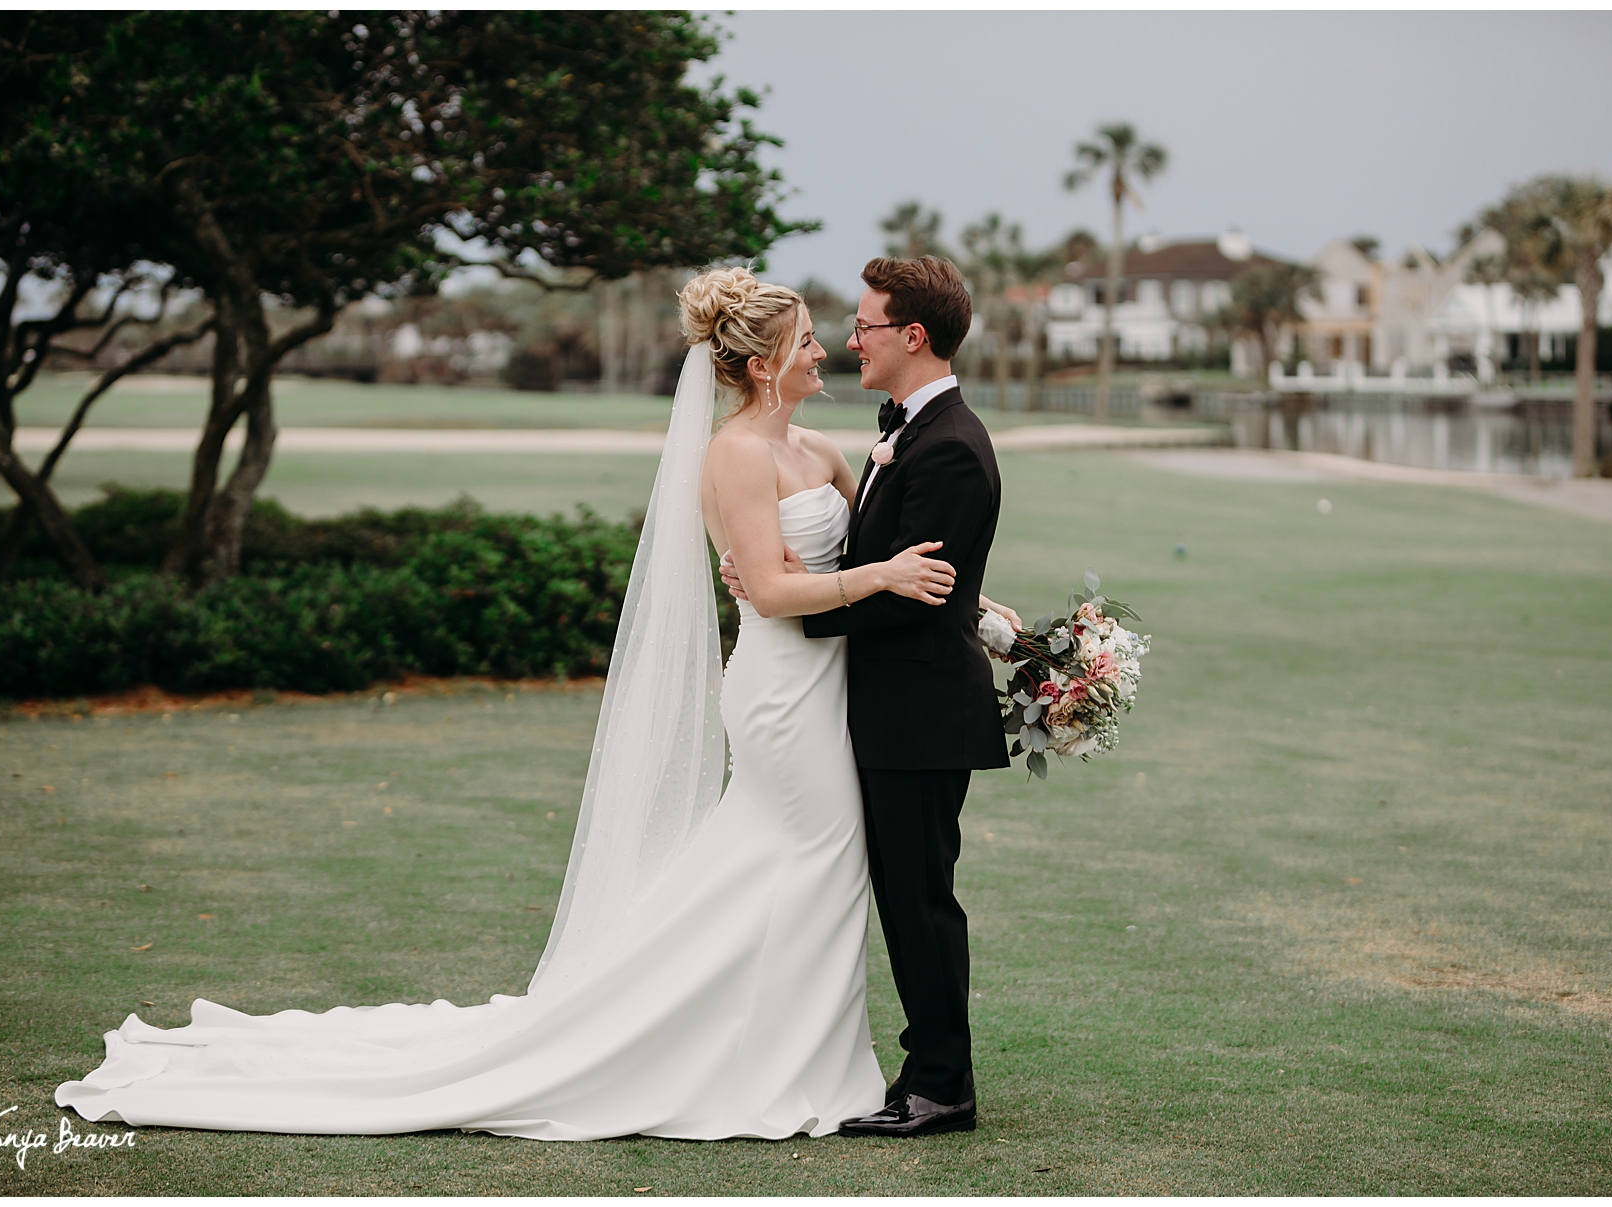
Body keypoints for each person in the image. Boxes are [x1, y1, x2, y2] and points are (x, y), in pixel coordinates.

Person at [53, 268, 974, 1143]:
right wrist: (860, 575)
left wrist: (947, 592)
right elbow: (775, 591)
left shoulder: (819, 447)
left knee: (810, 865)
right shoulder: (732, 453)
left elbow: (868, 544)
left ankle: (793, 1049)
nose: (828, 351)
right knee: (812, 854)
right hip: (780, 695)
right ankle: (754, 1056)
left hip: (830, 688)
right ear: (765, 362)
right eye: (811, 341)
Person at [723, 255, 1018, 1138]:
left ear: (912, 336)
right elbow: (888, 563)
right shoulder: (908, 433)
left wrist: (782, 592)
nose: (850, 340)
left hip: (918, 712)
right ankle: (917, 1070)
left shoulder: (952, 447)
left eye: (864, 326)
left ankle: (941, 1085)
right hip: (875, 705)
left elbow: (908, 588)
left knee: (919, 899)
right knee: (896, 892)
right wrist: (774, 570)